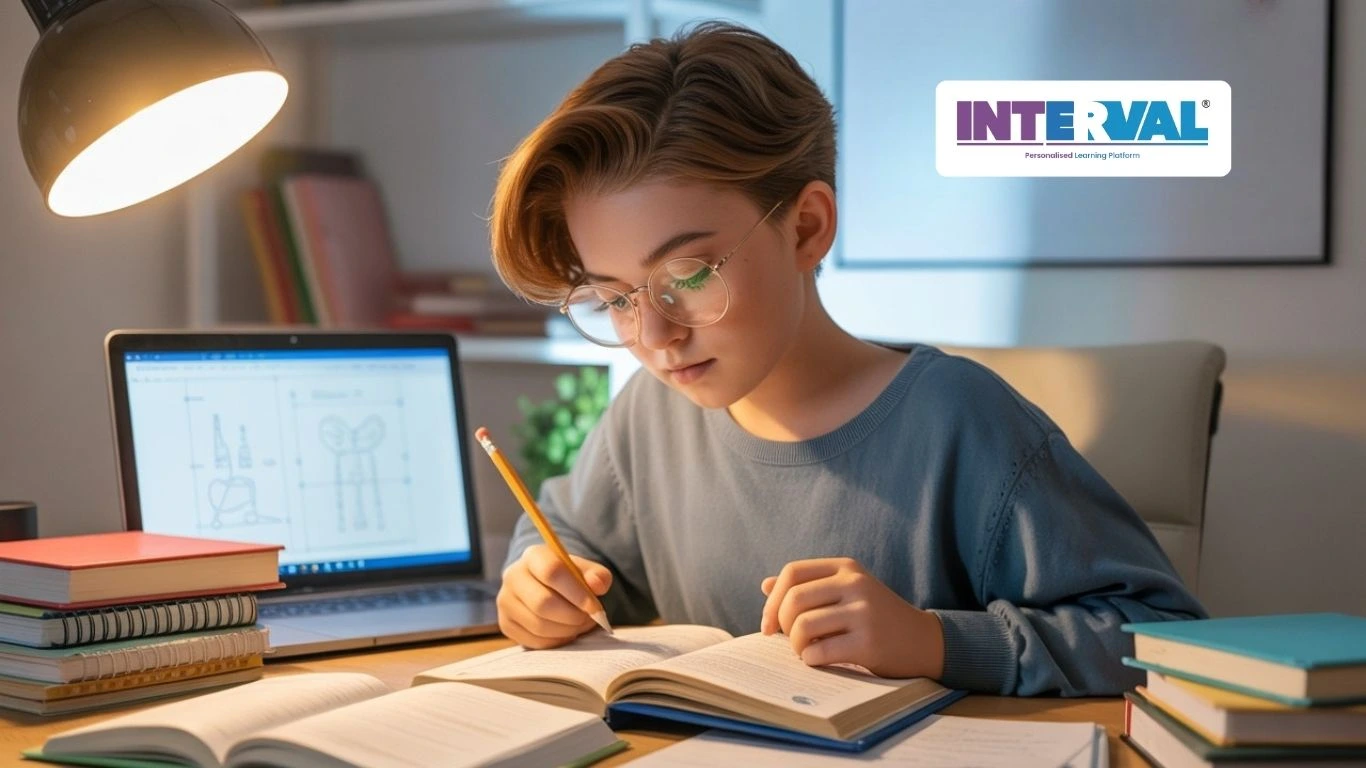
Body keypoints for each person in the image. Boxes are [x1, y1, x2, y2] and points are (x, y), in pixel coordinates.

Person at [487, 22, 1205, 696]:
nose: (655, 336)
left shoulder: (961, 424)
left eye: (690, 277)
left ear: (806, 228)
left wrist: (935, 642)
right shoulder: (648, 417)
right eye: (616, 298)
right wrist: (540, 582)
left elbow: (1167, 639)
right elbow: (562, 534)